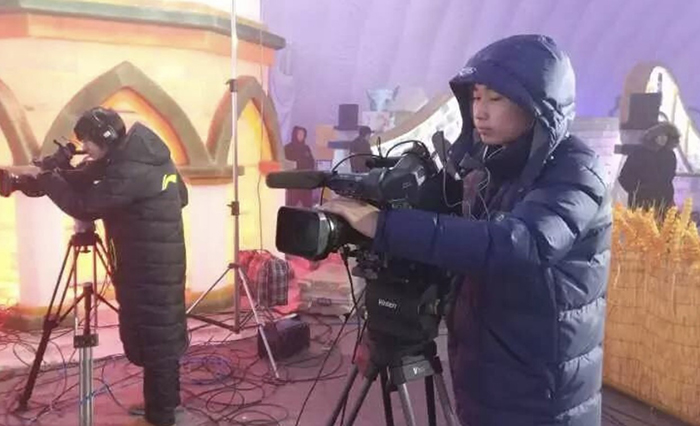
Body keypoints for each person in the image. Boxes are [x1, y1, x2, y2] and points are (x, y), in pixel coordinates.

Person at [321, 35, 612, 426]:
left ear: (538, 104)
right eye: (475, 97)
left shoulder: (575, 170)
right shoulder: (495, 165)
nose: (481, 112)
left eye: (497, 98)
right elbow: (462, 239)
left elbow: (517, 245)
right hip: (488, 370)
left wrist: (383, 225)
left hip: (541, 392)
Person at [31, 107, 188, 426]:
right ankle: (166, 404)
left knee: (155, 337)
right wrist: (64, 173)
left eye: (86, 141)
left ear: (105, 137)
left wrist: (48, 178)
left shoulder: (129, 168)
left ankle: (161, 417)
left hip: (147, 266)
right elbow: (181, 196)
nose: (84, 148)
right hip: (159, 260)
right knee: (162, 334)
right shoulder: (143, 156)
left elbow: (86, 205)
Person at [618, 121, 680, 216]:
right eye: (660, 135)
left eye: (666, 136)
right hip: (640, 203)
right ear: (654, 136)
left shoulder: (670, 155)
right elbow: (624, 176)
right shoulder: (638, 153)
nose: (663, 138)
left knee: (661, 224)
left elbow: (669, 177)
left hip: (663, 203)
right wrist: (637, 190)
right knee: (640, 224)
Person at [284, 125, 315, 207]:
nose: (301, 136)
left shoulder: (306, 148)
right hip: (293, 183)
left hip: (305, 184)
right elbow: (286, 164)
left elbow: (311, 162)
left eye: (303, 134)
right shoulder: (288, 148)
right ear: (295, 134)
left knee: (308, 206)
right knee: (291, 206)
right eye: (299, 134)